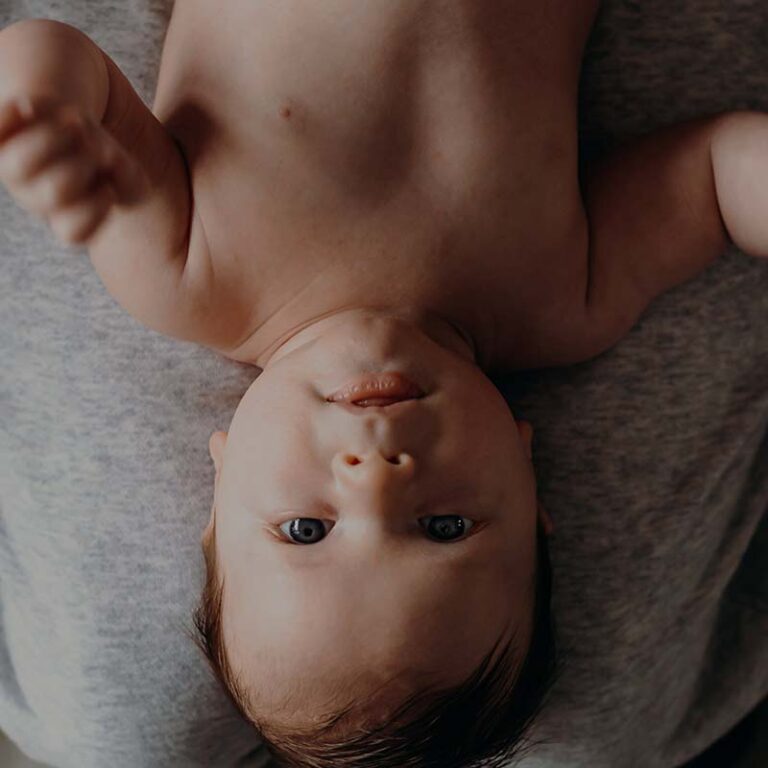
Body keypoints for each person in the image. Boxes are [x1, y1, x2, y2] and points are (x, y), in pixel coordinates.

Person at [0, 3, 765, 766]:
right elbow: (712, 178)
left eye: (307, 530)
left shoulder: (185, 275)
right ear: (532, 497)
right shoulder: (565, 299)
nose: (378, 481)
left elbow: (67, 53)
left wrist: (44, 110)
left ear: (223, 479)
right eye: (444, 528)